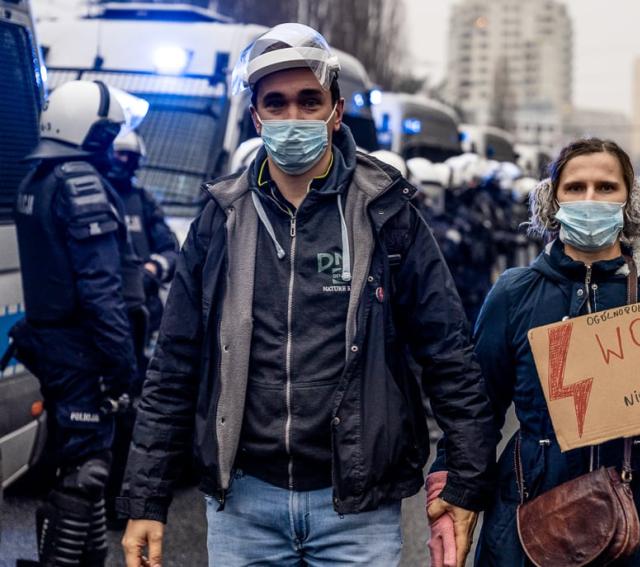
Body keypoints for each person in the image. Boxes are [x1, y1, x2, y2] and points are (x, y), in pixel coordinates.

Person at [118, 23, 496, 567]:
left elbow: (449, 354)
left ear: (335, 112)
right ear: (256, 116)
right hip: (244, 506)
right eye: (276, 103)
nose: (292, 118)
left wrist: (464, 482)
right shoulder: (219, 219)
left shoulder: (387, 213)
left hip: (355, 513)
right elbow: (173, 364)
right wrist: (146, 499)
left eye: (308, 101)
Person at [461, 138, 640, 566]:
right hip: (529, 522)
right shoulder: (515, 293)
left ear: (629, 200)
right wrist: (456, 496)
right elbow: (476, 408)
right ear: (553, 200)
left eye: (606, 187)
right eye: (575, 188)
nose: (590, 199)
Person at [11, 80, 141, 566]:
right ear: (88, 133)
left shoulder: (37, 180)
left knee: (81, 465)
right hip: (83, 349)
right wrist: (124, 366)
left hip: (51, 343)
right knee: (88, 469)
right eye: (107, 135)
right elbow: (100, 290)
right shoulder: (79, 184)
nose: (111, 145)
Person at [101, 130, 179, 528]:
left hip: (141, 319)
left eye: (129, 157)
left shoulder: (143, 201)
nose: (122, 163)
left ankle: (123, 503)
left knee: (134, 411)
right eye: (117, 154)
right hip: (100, 319)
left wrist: (152, 269)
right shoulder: (91, 195)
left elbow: (171, 249)